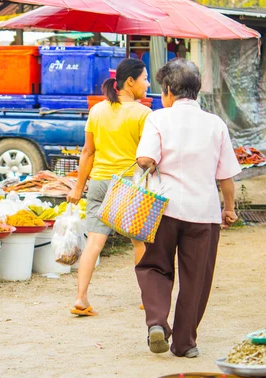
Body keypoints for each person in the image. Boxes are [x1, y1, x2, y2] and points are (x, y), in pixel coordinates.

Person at [135, 59, 241, 357]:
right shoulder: (215, 124)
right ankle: (184, 343)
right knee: (197, 278)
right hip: (203, 212)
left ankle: (156, 322)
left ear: (168, 90)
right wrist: (229, 209)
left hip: (163, 209)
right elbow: (226, 177)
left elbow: (145, 159)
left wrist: (151, 162)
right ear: (196, 90)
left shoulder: (158, 118)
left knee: (155, 266)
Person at [67, 59, 151, 317]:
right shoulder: (143, 114)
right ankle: (148, 297)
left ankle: (81, 298)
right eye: (145, 79)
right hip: (128, 185)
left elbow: (88, 152)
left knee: (94, 242)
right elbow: (146, 157)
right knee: (140, 243)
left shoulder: (97, 111)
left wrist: (78, 189)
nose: (147, 84)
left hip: (100, 183)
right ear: (130, 82)